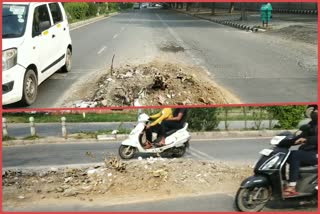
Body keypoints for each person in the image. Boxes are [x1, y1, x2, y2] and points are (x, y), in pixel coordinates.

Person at [283, 107, 318, 197]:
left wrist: (306, 140)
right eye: (314, 109)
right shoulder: (312, 124)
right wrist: (285, 141)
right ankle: (285, 180)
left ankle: (292, 186)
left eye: (317, 109)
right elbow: (300, 136)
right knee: (286, 155)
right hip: (311, 151)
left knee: (296, 155)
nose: (315, 111)